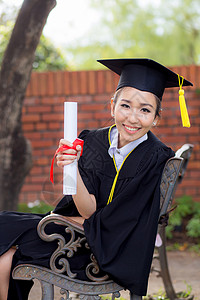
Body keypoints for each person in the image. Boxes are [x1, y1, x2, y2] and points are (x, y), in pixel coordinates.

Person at [0, 58, 192, 300]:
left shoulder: (156, 157)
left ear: (156, 118)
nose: (133, 118)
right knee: (6, 252)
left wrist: (67, 219)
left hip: (109, 251)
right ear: (112, 106)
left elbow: (122, 223)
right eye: (125, 106)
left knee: (5, 233)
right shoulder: (92, 141)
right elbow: (88, 209)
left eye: (145, 110)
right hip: (74, 235)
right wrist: (73, 168)